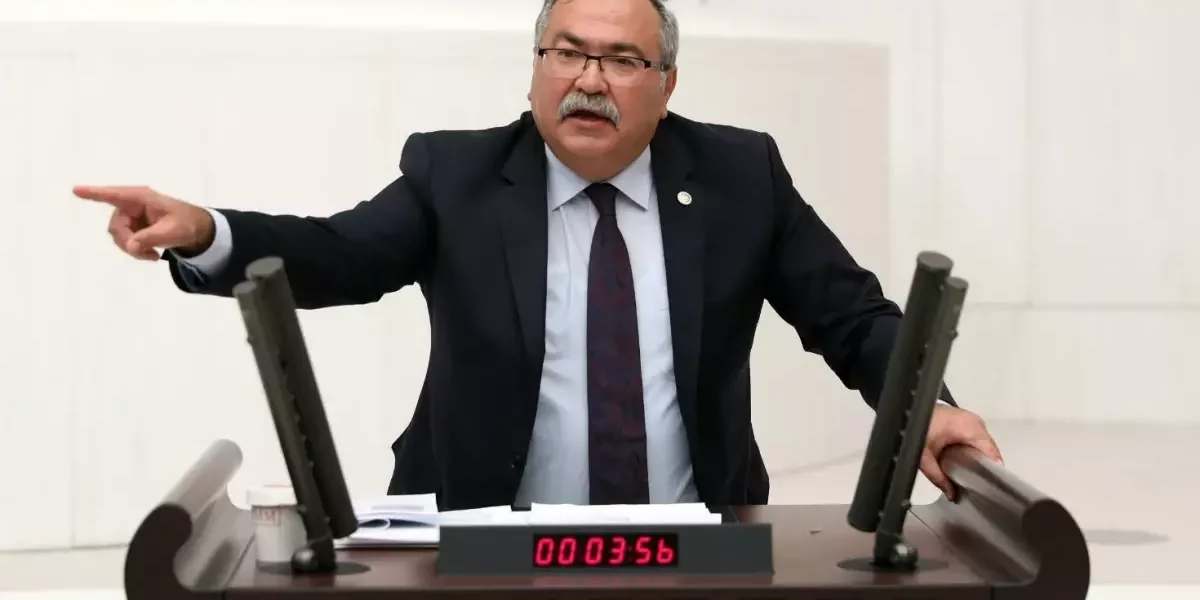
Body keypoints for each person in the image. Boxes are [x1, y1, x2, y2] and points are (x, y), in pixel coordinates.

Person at [74, 0, 1002, 510]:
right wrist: (207, 230)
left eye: (622, 60)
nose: (589, 80)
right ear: (534, 68)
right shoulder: (458, 175)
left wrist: (927, 409)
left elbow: (850, 316)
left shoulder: (739, 176)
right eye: (567, 53)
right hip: (483, 540)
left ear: (667, 83)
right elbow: (339, 253)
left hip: (692, 538)